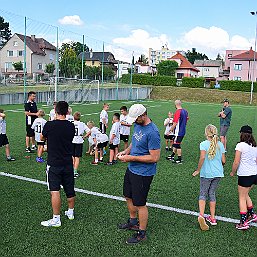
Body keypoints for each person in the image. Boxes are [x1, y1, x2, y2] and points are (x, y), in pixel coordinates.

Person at [117, 104, 161, 245]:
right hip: (132, 169)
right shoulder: (137, 125)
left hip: (143, 173)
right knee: (127, 195)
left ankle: (141, 233)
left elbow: (154, 157)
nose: (134, 121)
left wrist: (131, 158)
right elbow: (134, 142)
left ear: (144, 115)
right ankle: (133, 222)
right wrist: (126, 152)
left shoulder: (153, 132)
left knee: (140, 203)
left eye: (136, 118)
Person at [41, 101, 76, 227]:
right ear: (67, 112)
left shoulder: (49, 125)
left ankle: (56, 219)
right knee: (70, 189)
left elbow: (41, 138)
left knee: (54, 191)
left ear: (55, 111)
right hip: (67, 162)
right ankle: (70, 212)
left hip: (54, 163)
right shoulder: (71, 126)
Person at [192, 124, 225, 231]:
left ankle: (201, 215)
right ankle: (213, 218)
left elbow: (202, 157)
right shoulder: (220, 144)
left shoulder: (203, 144)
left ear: (206, 133)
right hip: (218, 173)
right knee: (212, 193)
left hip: (206, 173)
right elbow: (223, 161)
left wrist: (198, 170)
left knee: (203, 193)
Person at [230, 125, 257, 230]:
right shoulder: (254, 146)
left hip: (245, 175)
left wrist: (232, 172)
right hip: (254, 174)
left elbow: (236, 161)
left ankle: (243, 222)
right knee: (245, 194)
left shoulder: (240, 145)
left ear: (242, 134)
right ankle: (252, 215)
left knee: (241, 197)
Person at [166, 100, 189, 164]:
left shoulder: (178, 112)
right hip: (182, 131)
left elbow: (175, 123)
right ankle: (172, 156)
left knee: (177, 145)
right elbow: (187, 120)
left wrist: (170, 131)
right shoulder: (185, 111)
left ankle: (179, 159)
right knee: (175, 144)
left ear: (175, 104)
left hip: (178, 132)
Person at [72, 111, 89, 178]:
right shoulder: (82, 124)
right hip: (79, 141)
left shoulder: (71, 123)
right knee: (77, 157)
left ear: (73, 117)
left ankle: (72, 169)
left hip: (72, 141)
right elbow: (89, 131)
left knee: (72, 156)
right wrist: (84, 136)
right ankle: (75, 171)